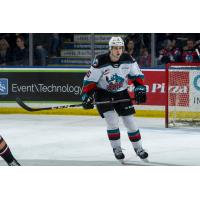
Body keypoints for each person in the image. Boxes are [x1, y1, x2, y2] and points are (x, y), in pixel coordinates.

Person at [81, 36, 148, 162]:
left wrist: (140, 88)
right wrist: (87, 95)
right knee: (112, 121)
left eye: (120, 48)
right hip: (103, 93)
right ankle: (117, 148)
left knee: (130, 122)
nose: (118, 51)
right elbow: (89, 80)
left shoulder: (128, 59)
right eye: (115, 48)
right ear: (110, 49)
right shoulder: (100, 60)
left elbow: (137, 76)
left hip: (121, 93)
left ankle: (139, 148)